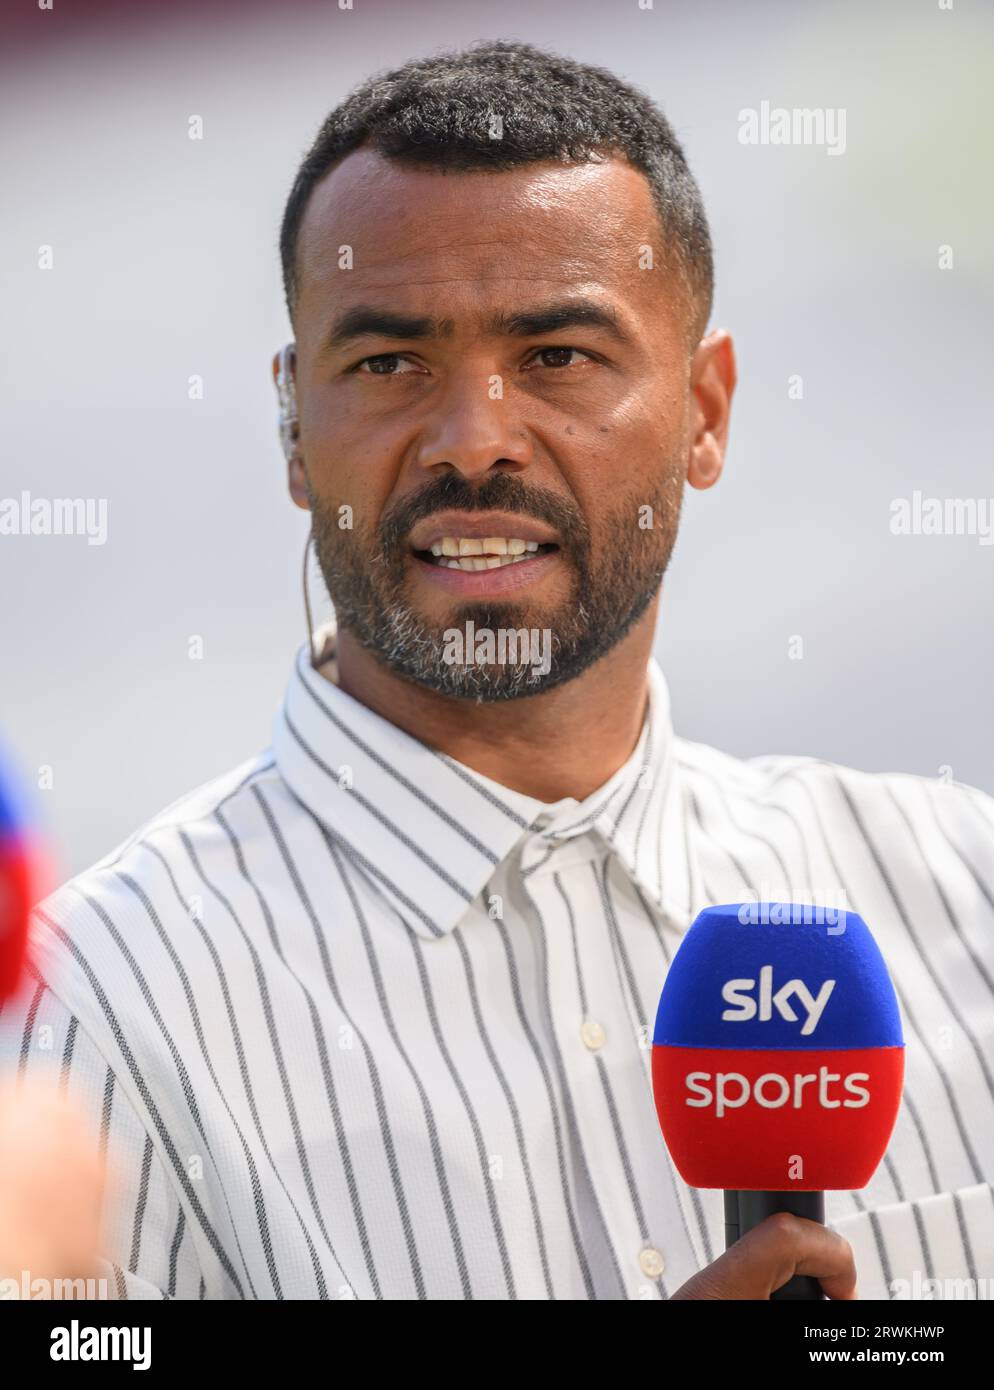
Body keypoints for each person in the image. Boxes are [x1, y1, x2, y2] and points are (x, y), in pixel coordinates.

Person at [2, 39, 991, 1301]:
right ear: (294, 427)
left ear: (705, 413)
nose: (474, 439)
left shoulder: (966, 895)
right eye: (388, 364)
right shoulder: (86, 1020)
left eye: (558, 357)